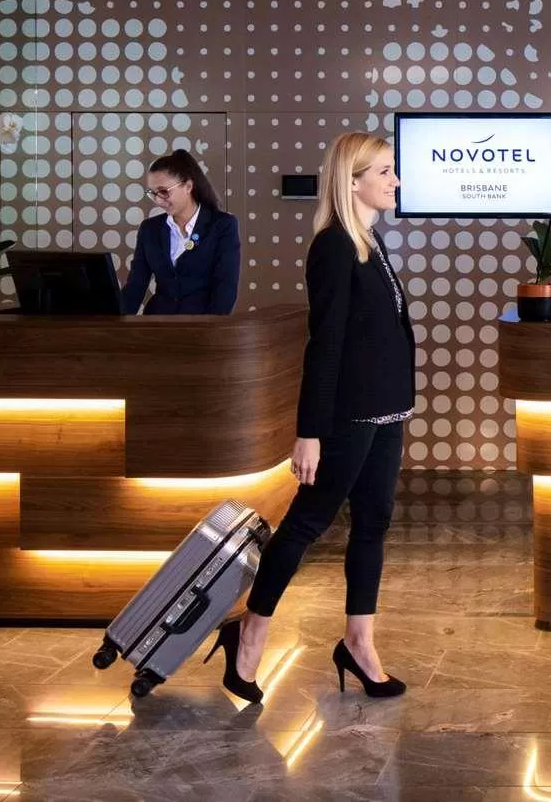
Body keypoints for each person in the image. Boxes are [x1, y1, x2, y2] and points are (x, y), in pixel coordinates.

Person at [206, 132, 415, 702]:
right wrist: (310, 432)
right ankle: (250, 630)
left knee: (373, 526)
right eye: (386, 171)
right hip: (348, 416)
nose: (396, 180)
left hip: (387, 411)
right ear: (353, 181)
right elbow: (324, 346)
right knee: (304, 525)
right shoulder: (333, 247)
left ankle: (359, 643)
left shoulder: (369, 241)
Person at [119, 148, 240, 315]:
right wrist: (114, 325)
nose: (158, 200)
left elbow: (225, 287)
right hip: (157, 324)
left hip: (202, 327)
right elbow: (136, 285)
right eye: (152, 193)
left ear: (188, 186)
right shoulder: (150, 229)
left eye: (164, 192)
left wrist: (210, 330)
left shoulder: (222, 225)